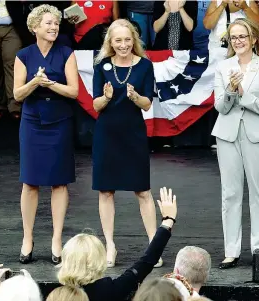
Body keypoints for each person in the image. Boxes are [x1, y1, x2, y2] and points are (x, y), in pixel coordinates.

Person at [13, 4, 79, 265]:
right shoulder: (23, 55)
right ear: (35, 28)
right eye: (48, 23)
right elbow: (17, 95)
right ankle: (27, 238)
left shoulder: (66, 53)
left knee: (59, 182)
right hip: (32, 123)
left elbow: (74, 92)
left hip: (60, 121)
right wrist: (34, 83)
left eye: (56, 23)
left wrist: (51, 84)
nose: (54, 27)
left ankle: (56, 238)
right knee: (29, 181)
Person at [92, 19, 159, 268]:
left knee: (142, 190)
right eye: (118, 40)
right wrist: (107, 97)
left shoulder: (144, 66)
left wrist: (135, 96)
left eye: (127, 40)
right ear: (110, 42)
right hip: (107, 134)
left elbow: (147, 104)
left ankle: (154, 245)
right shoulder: (101, 66)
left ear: (134, 41)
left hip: (133, 134)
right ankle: (110, 245)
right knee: (106, 190)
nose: (123, 45)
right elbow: (95, 105)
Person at [212, 18, 259, 269]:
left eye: (242, 36)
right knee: (230, 194)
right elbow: (220, 106)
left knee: (258, 194)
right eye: (233, 37)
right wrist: (230, 89)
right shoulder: (223, 66)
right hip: (227, 134)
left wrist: (243, 94)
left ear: (253, 39)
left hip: (258, 135)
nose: (238, 41)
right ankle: (231, 250)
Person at [57, 187, 177, 301]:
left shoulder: (57, 295)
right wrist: (168, 220)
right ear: (97, 260)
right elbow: (147, 262)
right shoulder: (110, 290)